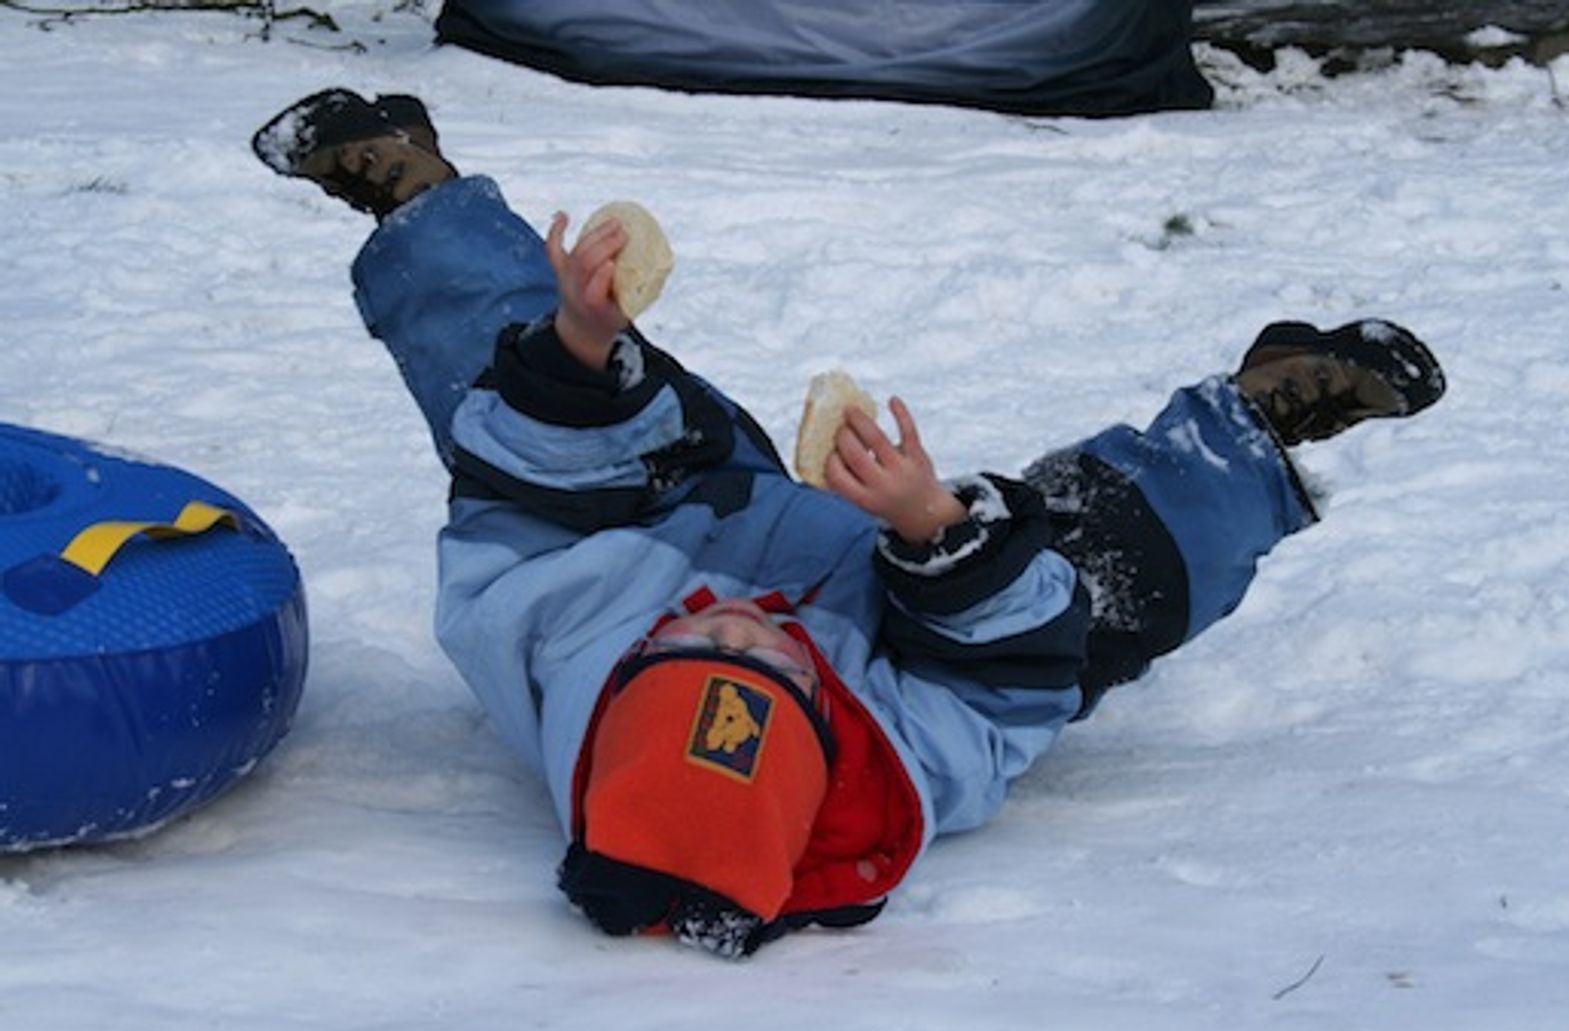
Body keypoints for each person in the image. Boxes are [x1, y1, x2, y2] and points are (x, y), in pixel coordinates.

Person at [252, 89, 1447, 958]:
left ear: (629, 672)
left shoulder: (549, 632)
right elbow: (1009, 681)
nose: (734, 623)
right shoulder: (908, 751)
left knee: (511, 384)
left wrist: (580, 347)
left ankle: (417, 196)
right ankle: (1258, 418)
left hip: (668, 506)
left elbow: (511, 493)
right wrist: (934, 532)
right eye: (767, 666)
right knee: (1086, 610)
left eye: (693, 648)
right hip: (892, 607)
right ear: (828, 729)